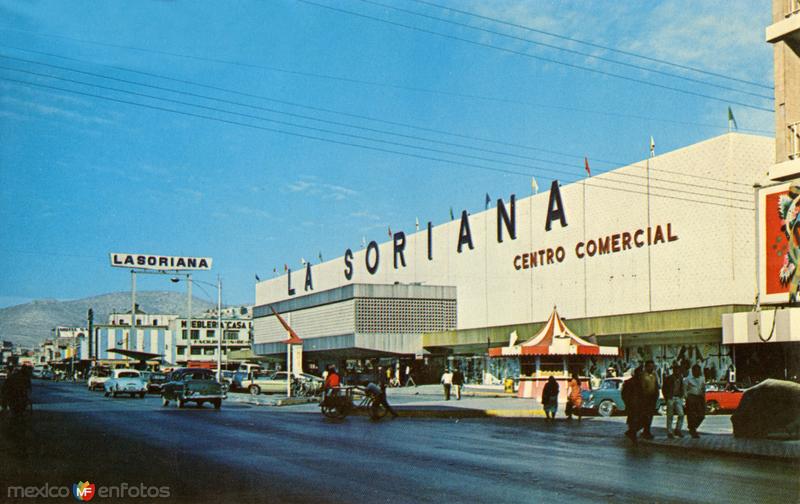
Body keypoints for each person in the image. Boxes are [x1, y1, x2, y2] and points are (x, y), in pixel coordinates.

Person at [662, 363, 685, 439]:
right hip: (671, 398)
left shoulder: (681, 378)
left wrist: (682, 395)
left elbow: (682, 387)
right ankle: (669, 432)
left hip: (678, 398)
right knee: (670, 416)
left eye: (679, 370)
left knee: (681, 414)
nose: (677, 372)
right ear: (674, 371)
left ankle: (678, 429)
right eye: (676, 370)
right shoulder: (669, 378)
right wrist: (667, 397)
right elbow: (664, 388)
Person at [637, 360, 659, 440]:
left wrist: (656, 395)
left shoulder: (653, 375)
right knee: (646, 416)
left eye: (652, 366)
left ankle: (647, 431)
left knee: (650, 416)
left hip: (652, 398)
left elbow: (656, 386)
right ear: (646, 367)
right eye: (650, 366)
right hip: (645, 399)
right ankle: (645, 431)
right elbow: (641, 388)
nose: (651, 368)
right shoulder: (642, 376)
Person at [622, 366, 643, 444]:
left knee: (640, 421)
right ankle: (633, 435)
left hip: (639, 404)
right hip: (632, 405)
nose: (641, 374)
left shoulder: (641, 382)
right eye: (640, 372)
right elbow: (624, 394)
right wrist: (628, 403)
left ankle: (631, 432)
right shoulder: (629, 382)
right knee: (633, 421)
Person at [684, 364, 706, 438]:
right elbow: (685, 390)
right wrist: (687, 398)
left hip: (699, 397)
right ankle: (693, 430)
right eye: (695, 370)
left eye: (698, 370)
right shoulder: (688, 379)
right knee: (691, 415)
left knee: (701, 415)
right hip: (691, 397)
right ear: (692, 371)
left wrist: (703, 397)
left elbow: (703, 388)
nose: (697, 372)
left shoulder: (702, 379)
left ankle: (692, 426)